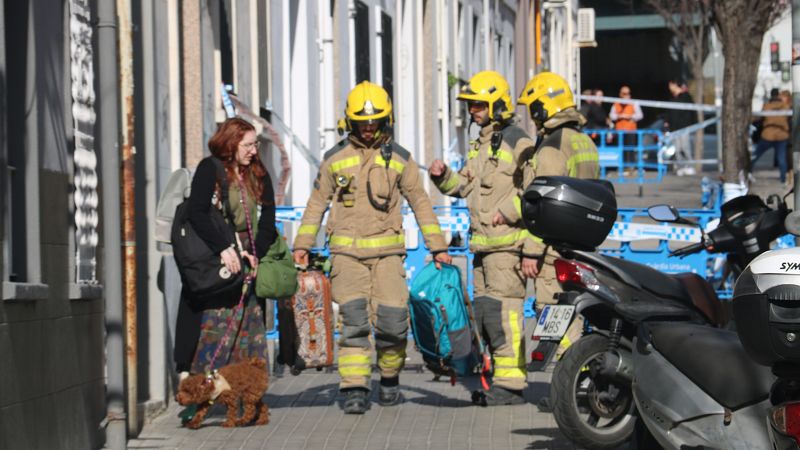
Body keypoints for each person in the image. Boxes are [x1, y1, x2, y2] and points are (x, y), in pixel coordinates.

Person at [292, 81, 451, 414]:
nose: (368, 128)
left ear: (385, 120)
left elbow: (421, 202)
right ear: (350, 122)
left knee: (393, 323)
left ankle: (389, 377)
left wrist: (437, 247)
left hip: (388, 257)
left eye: (374, 122)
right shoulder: (334, 159)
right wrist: (302, 244)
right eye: (362, 122)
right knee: (354, 323)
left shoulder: (401, 160)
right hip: (347, 257)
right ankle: (355, 387)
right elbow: (316, 203)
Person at [429, 70, 538, 406]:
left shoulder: (519, 141)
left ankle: (512, 384)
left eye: (478, 104)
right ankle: (498, 377)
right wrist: (442, 176)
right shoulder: (480, 144)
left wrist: (509, 211)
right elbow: (463, 186)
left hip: (506, 247)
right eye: (470, 104)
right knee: (489, 316)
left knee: (507, 315)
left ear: (496, 104)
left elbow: (534, 190)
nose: (472, 110)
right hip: (482, 248)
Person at [173, 117, 277, 377]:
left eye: (255, 145)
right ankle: (194, 383)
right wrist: (224, 248)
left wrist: (255, 252)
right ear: (231, 143)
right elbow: (197, 212)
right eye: (248, 145)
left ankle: (244, 386)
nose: (254, 151)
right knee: (206, 323)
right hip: (213, 256)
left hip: (247, 256)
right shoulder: (211, 168)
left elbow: (268, 216)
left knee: (246, 325)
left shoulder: (257, 171)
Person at [515, 71, 600, 358]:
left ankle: (577, 376)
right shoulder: (583, 141)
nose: (531, 115)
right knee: (572, 309)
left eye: (533, 108)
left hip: (554, 249)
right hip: (581, 244)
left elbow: (544, 203)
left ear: (543, 108)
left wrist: (531, 251)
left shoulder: (552, 147)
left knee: (553, 312)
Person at [752, 88, 790, 183]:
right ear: (778, 95)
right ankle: (783, 179)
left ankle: (746, 171)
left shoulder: (767, 106)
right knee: (782, 159)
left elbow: (761, 118)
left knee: (755, 155)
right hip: (782, 136)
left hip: (768, 135)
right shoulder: (785, 106)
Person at [665, 80, 696, 176]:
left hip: (684, 127)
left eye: (670, 85)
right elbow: (670, 113)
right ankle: (680, 167)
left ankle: (690, 166)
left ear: (675, 85)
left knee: (685, 147)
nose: (669, 88)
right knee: (677, 148)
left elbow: (691, 112)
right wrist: (667, 122)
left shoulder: (686, 96)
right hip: (674, 128)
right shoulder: (672, 98)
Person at [609, 85, 642, 175]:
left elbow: (640, 115)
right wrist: (619, 116)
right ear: (620, 94)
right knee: (621, 150)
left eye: (627, 94)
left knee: (630, 149)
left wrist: (630, 116)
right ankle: (622, 167)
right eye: (624, 94)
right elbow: (611, 116)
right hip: (620, 131)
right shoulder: (616, 104)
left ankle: (631, 167)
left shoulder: (634, 103)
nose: (626, 96)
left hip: (631, 130)